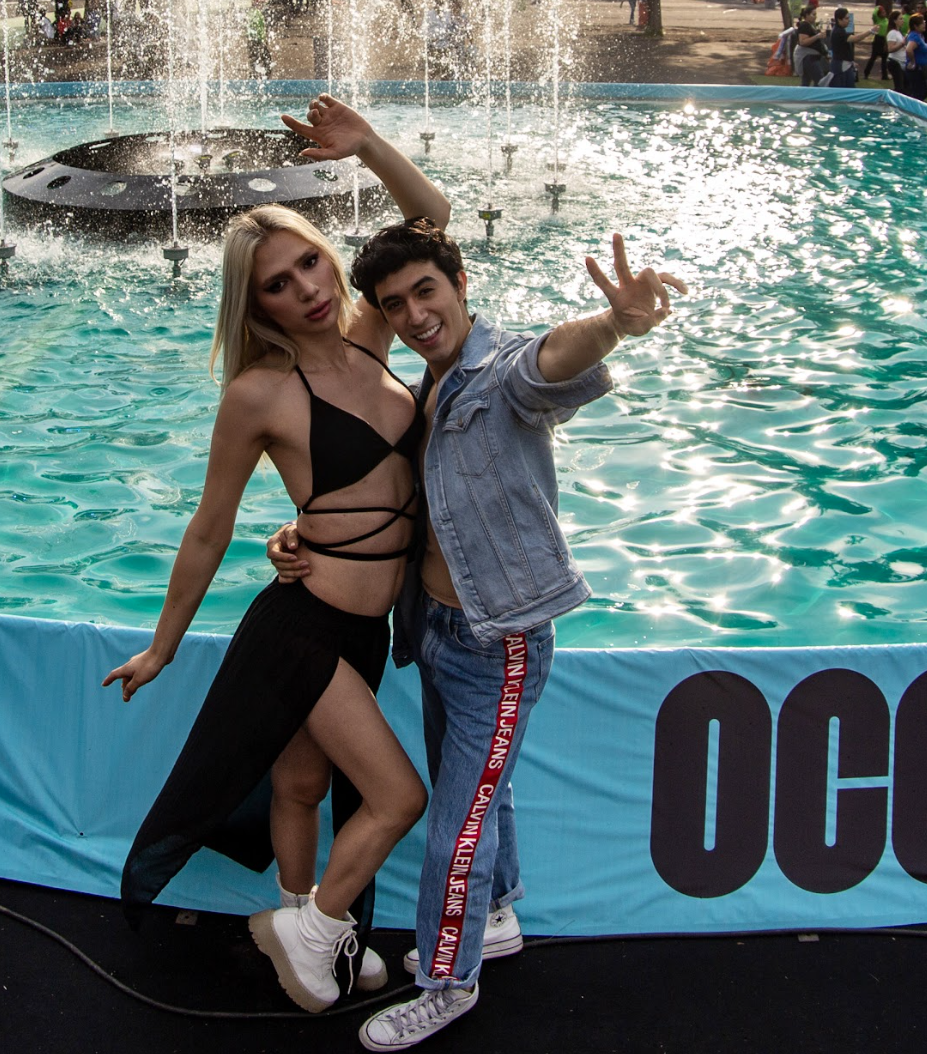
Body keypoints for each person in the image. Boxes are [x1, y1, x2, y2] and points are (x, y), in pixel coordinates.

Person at [268, 221, 687, 1050]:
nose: (416, 313)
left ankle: (447, 982)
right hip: (435, 634)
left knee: (458, 820)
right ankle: (493, 913)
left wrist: (613, 325)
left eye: (428, 291)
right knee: (479, 795)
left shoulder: (498, 374)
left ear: (460, 283)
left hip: (501, 640)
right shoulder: (425, 384)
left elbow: (551, 361)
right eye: (395, 303)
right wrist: (301, 531)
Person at [110, 96, 452, 1015]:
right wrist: (164, 644)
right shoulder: (259, 393)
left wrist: (372, 147)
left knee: (300, 784)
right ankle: (312, 935)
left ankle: (314, 935)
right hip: (301, 628)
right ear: (252, 303)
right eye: (277, 282)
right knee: (395, 799)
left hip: (367, 630)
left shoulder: (372, 335)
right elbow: (209, 528)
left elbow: (431, 224)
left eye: (309, 259)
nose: (304, 286)